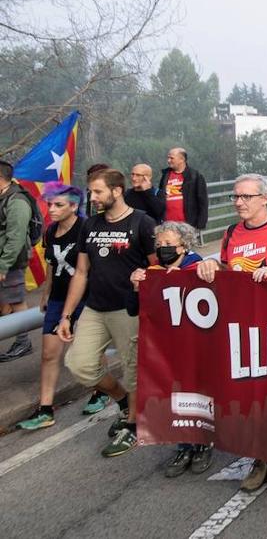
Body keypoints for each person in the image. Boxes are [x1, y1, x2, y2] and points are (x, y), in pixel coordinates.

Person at [196, 173, 267, 492]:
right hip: (242, 327)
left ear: (264, 198)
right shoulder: (231, 232)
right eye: (235, 197)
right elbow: (225, 270)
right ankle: (259, 456)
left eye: (246, 197)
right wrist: (210, 268)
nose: (238, 202)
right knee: (249, 395)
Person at [57, 168, 157, 457]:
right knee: (79, 364)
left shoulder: (142, 223)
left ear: (116, 190)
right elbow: (81, 272)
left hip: (129, 310)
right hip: (95, 308)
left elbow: (157, 267)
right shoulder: (91, 225)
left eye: (98, 191)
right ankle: (123, 399)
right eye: (91, 192)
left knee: (134, 370)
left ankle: (134, 425)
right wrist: (67, 315)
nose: (93, 197)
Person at [128, 221, 210, 477]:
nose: (163, 249)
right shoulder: (152, 271)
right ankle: (183, 444)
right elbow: (134, 311)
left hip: (197, 345)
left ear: (184, 245)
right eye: (159, 244)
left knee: (199, 394)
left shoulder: (198, 266)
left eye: (168, 244)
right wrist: (136, 287)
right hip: (167, 347)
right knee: (174, 394)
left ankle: (203, 443)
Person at [16, 185, 89, 429]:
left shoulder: (85, 230)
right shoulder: (51, 231)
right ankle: (45, 409)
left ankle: (101, 392)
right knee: (48, 354)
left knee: (88, 350)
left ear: (74, 207)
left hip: (86, 297)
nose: (52, 209)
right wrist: (46, 293)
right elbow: (50, 263)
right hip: (58, 297)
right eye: (50, 205)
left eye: (58, 205)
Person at [0, 160, 38, 361]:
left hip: (11, 261)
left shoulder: (17, 201)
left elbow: (16, 236)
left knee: (16, 300)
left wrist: (3, 264)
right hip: (4, 259)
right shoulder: (4, 197)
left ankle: (23, 342)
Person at [159, 147, 208, 234]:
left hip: (187, 225)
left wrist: (201, 223)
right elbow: (160, 196)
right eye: (168, 158)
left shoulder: (195, 176)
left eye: (171, 158)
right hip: (167, 224)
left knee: (186, 247)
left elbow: (203, 201)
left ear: (182, 159)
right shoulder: (165, 175)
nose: (168, 160)